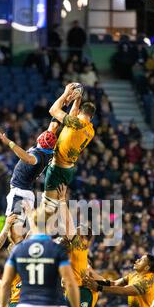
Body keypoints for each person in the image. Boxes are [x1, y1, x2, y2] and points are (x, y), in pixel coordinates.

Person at [43, 84, 95, 212]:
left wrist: (66, 94)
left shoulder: (76, 123)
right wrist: (78, 99)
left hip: (57, 168)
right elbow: (73, 115)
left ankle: (41, 229)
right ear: (91, 117)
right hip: (69, 169)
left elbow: (53, 110)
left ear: (79, 112)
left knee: (47, 206)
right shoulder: (90, 129)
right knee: (53, 203)